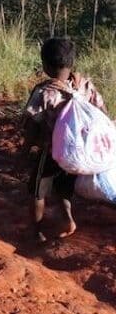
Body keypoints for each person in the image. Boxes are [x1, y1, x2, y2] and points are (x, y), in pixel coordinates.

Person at [23, 37, 107, 243]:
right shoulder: (85, 85)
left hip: (52, 151)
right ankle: (68, 220)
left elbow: (32, 124)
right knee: (64, 188)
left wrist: (26, 148)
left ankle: (36, 233)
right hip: (77, 153)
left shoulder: (44, 92)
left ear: (45, 66)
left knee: (37, 190)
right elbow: (102, 114)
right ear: (71, 62)